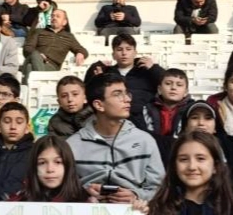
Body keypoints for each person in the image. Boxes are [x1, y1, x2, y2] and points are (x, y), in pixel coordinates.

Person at [67, 73, 164, 201]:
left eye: (126, 93)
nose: (127, 99)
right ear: (99, 105)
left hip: (134, 210)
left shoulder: (145, 141)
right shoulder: (72, 145)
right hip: (88, 210)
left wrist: (137, 196)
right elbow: (63, 189)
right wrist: (83, 195)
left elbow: (160, 189)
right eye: (117, 94)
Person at [85, 33, 164, 120]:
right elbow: (89, 93)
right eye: (119, 49)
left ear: (135, 53)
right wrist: (97, 76)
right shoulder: (106, 73)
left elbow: (167, 83)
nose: (124, 53)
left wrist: (154, 68)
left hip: (144, 119)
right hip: (114, 118)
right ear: (113, 55)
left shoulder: (147, 71)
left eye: (128, 49)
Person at [21, 9, 88, 83]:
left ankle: (27, 87)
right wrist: (39, 56)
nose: (54, 18)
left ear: (64, 22)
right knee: (34, 54)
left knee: (29, 67)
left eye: (58, 16)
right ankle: (41, 82)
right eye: (52, 16)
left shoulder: (69, 37)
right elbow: (27, 48)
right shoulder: (39, 31)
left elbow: (82, 50)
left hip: (51, 67)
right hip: (35, 58)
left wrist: (80, 53)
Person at [136, 68, 193, 138]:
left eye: (179, 85)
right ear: (159, 90)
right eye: (168, 83)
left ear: (186, 92)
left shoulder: (192, 111)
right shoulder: (146, 110)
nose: (173, 87)